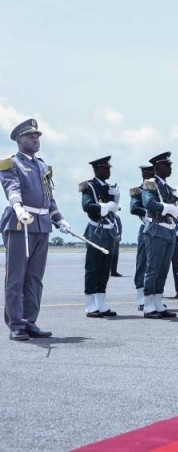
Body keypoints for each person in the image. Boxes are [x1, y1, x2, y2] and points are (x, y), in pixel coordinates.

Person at [1, 119, 72, 340]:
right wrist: (18, 207)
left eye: (38, 136)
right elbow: (11, 188)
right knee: (16, 277)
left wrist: (59, 219)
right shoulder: (11, 164)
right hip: (21, 222)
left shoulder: (42, 166)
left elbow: (49, 197)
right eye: (31, 136)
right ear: (20, 139)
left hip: (42, 225)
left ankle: (30, 321)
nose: (36, 139)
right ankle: (16, 325)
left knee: (34, 278)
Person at [140, 152, 178, 319]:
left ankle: (157, 301)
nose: (170, 167)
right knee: (153, 268)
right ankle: (148, 305)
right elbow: (148, 203)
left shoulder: (168, 188)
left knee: (163, 270)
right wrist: (167, 207)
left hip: (169, 230)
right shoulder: (150, 184)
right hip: (155, 230)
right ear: (157, 167)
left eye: (170, 164)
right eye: (166, 165)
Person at [80, 156, 120, 318]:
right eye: (106, 168)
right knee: (93, 269)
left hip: (108, 231)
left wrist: (115, 199)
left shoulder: (109, 188)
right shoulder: (88, 186)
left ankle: (101, 303)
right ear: (97, 170)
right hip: (96, 232)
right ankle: (90, 305)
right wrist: (103, 207)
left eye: (109, 168)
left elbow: (115, 209)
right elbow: (87, 206)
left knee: (105, 270)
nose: (109, 170)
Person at [130, 163, 155, 310]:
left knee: (155, 264)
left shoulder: (157, 190)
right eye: (146, 174)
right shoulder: (138, 191)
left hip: (160, 228)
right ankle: (140, 297)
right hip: (146, 226)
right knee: (142, 263)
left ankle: (152, 297)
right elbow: (133, 208)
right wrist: (148, 211)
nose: (148, 176)